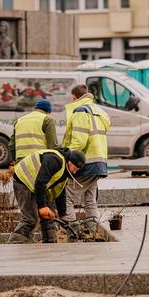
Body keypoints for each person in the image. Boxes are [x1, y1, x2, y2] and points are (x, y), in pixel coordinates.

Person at [8, 148, 86, 244]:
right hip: (23, 179)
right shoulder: (55, 160)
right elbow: (40, 182)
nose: (75, 172)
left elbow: (60, 192)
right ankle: (14, 243)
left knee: (49, 217)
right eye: (75, 168)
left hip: (37, 185)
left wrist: (63, 215)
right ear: (69, 161)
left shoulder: (65, 172)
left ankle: (50, 244)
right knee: (30, 219)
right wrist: (42, 206)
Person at [62, 84, 111, 229]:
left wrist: (65, 154)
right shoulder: (98, 110)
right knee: (90, 199)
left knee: (67, 198)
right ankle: (92, 230)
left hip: (84, 162)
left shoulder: (80, 111)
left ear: (74, 97)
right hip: (99, 162)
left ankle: (73, 231)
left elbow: (79, 141)